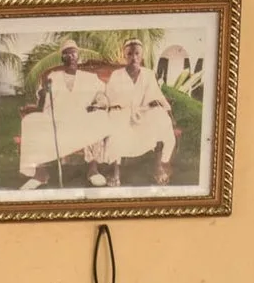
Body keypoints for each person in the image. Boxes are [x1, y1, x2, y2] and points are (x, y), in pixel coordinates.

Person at [16, 40, 108, 189]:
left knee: (99, 117)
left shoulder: (89, 77)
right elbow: (42, 103)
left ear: (78, 56)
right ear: (62, 58)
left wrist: (98, 105)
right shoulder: (53, 76)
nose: (71, 57)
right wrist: (43, 93)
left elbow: (102, 95)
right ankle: (40, 174)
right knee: (29, 121)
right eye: (66, 54)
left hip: (81, 117)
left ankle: (93, 170)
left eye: (73, 53)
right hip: (57, 118)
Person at [95, 39, 176, 185]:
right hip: (122, 112)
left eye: (137, 53)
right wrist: (105, 106)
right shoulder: (117, 75)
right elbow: (108, 96)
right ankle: (115, 171)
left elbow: (156, 96)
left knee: (160, 118)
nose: (134, 57)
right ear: (125, 56)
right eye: (130, 54)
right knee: (116, 124)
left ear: (141, 55)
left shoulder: (148, 74)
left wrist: (165, 111)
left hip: (142, 112)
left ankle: (158, 166)